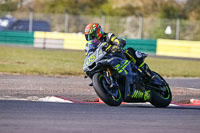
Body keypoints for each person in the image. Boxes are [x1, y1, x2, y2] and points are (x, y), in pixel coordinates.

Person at [84, 23, 151, 101]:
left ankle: (147, 72)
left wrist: (116, 46)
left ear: (98, 32)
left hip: (117, 55)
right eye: (88, 36)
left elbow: (117, 41)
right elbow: (88, 55)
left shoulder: (108, 36)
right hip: (104, 60)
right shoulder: (88, 46)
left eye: (92, 36)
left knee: (129, 51)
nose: (91, 38)